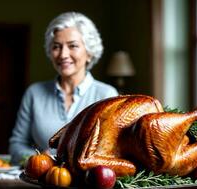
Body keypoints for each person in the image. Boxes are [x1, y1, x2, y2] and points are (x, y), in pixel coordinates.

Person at [9, 12, 119, 165]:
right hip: (43, 183)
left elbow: (113, 150)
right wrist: (39, 161)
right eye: (56, 47)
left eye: (72, 46)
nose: (63, 54)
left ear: (89, 52)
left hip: (89, 185)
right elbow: (16, 145)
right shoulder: (34, 93)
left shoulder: (107, 95)